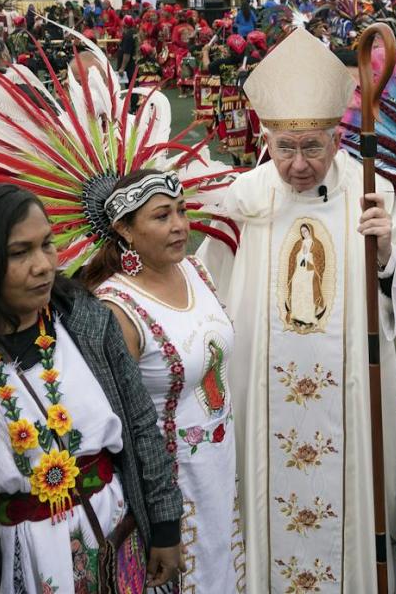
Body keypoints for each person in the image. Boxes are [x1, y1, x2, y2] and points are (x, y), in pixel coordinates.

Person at [197, 28, 396, 592]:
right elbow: (207, 295)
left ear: (336, 139)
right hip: (263, 399)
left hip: (354, 402)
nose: (300, 164)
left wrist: (388, 260)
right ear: (268, 139)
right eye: (287, 148)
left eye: (314, 147)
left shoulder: (370, 190)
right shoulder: (246, 197)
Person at [0, 184, 183, 592]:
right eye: (19, 252)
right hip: (15, 557)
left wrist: (166, 524)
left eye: (47, 244)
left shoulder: (84, 321)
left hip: (114, 533)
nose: (44, 265)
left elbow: (139, 423)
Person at [82, 169, 246, 591]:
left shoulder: (195, 270)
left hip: (221, 468)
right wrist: (161, 522)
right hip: (172, 484)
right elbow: (125, 426)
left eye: (181, 211)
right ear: (125, 230)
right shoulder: (118, 308)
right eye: (161, 217)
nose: (179, 226)